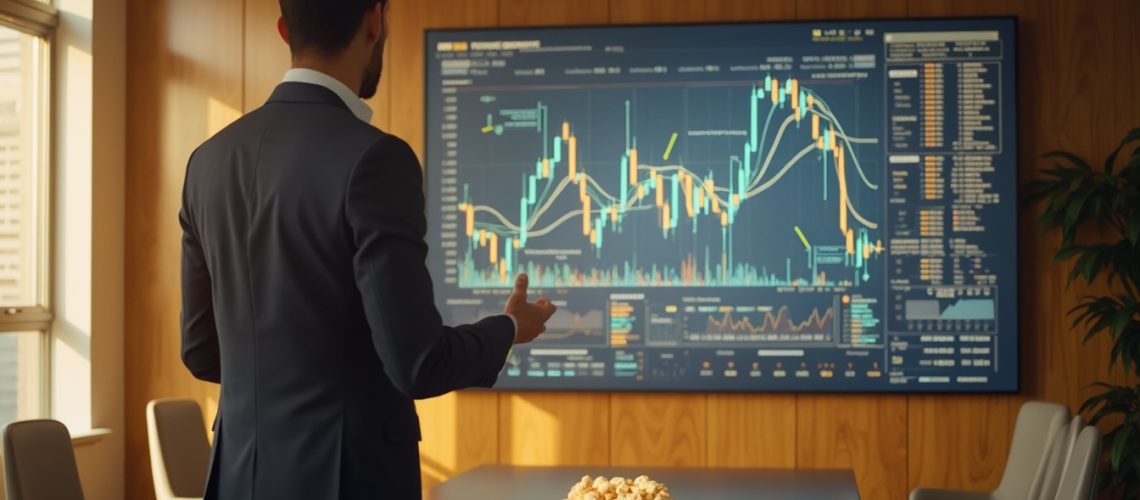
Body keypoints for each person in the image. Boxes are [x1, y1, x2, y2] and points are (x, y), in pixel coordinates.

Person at [178, 0, 557, 498]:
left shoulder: (206, 162)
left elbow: (202, 352)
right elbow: (417, 363)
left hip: (235, 480)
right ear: (374, 21)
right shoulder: (375, 159)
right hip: (346, 481)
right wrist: (508, 328)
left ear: (282, 30)